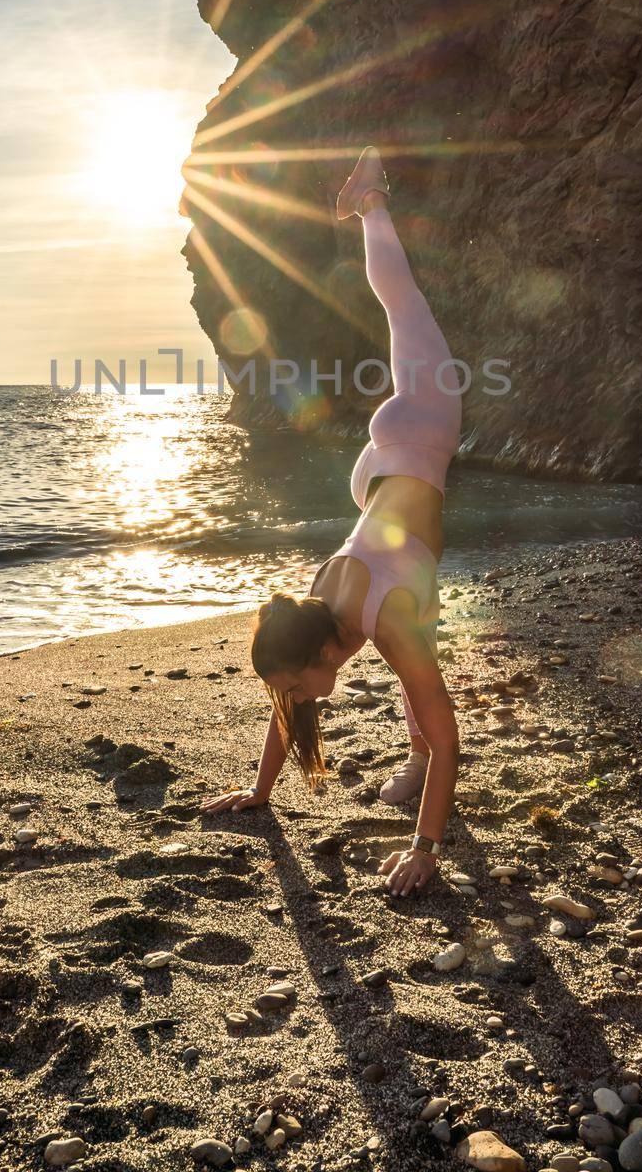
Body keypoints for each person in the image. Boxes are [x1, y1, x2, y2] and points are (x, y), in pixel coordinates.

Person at [202, 147, 462, 895]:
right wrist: (259, 793)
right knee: (420, 647)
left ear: (320, 650)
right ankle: (368, 205)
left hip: (420, 431)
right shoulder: (321, 612)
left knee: (401, 304)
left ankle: (369, 200)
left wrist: (424, 851)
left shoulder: (375, 616)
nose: (309, 694)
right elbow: (286, 705)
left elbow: (452, 742)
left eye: (304, 680)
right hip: (380, 472)